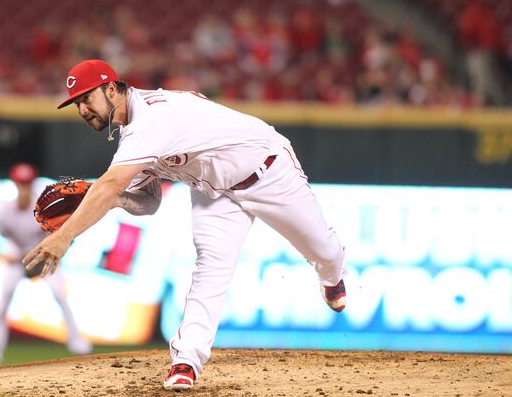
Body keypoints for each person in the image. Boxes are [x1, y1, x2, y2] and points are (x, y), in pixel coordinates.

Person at [23, 60, 347, 390]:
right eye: (76, 103)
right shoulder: (133, 136)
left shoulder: (151, 120)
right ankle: (185, 362)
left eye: (85, 98)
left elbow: (110, 184)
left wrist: (65, 236)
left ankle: (332, 277)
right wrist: (117, 199)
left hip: (268, 172)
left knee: (324, 249)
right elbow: (148, 203)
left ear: (111, 89)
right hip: (213, 192)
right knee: (210, 269)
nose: (81, 109)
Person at [0, 162, 92, 367]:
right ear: (15, 184)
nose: (24, 187)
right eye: (21, 183)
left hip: (42, 255)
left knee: (60, 296)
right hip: (17, 257)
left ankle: (79, 346)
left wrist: (57, 250)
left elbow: (67, 232)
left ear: (32, 184)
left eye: (27, 183)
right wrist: (3, 256)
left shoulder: (44, 208)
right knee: (2, 302)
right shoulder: (4, 209)